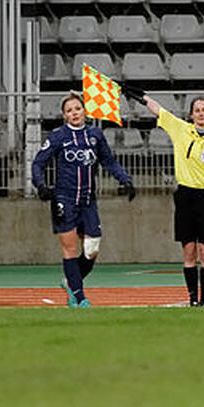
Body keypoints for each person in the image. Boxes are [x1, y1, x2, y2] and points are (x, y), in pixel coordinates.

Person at [123, 90, 204, 307]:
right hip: (185, 196)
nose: (200, 113)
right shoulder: (180, 129)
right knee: (188, 250)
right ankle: (192, 299)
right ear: (191, 115)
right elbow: (158, 109)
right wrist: (139, 96)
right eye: (197, 110)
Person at [31, 92, 136, 308]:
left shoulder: (95, 135)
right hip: (64, 201)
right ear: (64, 115)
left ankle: (71, 281)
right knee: (69, 249)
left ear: (84, 110)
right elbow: (37, 163)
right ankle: (79, 297)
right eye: (69, 110)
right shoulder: (58, 136)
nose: (74, 113)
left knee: (92, 249)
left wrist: (125, 180)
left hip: (88, 201)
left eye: (77, 108)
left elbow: (109, 161)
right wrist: (40, 185)